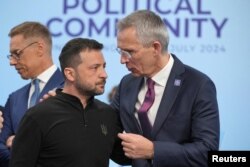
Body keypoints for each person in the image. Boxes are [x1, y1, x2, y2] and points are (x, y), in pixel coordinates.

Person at [112, 10, 220, 167]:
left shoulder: (198, 85)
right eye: (120, 51)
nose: (122, 60)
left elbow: (208, 152)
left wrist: (154, 150)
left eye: (129, 52)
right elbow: (108, 130)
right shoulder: (127, 84)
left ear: (155, 47)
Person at [9, 38, 130, 167]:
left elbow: (126, 157)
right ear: (70, 74)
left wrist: (152, 149)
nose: (104, 74)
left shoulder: (108, 114)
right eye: (95, 68)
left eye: (103, 67)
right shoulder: (37, 116)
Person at [0, 21, 64, 166]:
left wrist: (19, 143)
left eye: (17, 54)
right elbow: (0, 147)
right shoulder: (14, 98)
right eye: (10, 55)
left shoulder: (70, 91)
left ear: (39, 49)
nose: (12, 62)